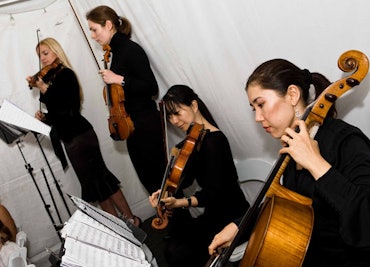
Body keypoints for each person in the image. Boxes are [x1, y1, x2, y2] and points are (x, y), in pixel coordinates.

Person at [208, 59, 370, 266]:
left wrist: (316, 164)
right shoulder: (291, 153)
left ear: (292, 94)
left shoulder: (345, 140)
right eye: (253, 108)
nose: (257, 117)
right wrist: (240, 226)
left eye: (261, 104)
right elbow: (283, 205)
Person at [27, 37, 141, 226]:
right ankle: (119, 227)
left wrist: (45, 89)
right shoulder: (51, 79)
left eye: (46, 53)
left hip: (81, 136)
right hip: (70, 138)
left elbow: (69, 111)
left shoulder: (66, 75)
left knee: (102, 179)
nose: (43, 59)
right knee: (93, 186)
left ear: (56, 51)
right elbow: (58, 114)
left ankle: (132, 220)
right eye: (40, 56)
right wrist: (45, 118)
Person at [148, 85, 249, 266]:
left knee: (177, 253)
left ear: (194, 106)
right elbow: (184, 181)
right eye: (169, 117)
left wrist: (180, 203)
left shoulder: (215, 142)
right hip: (213, 213)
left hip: (232, 215)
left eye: (177, 113)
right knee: (174, 246)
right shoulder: (193, 140)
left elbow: (213, 194)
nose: (174, 121)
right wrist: (164, 192)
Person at [86, 6, 167, 195]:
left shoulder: (131, 49)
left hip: (147, 127)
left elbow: (151, 88)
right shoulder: (115, 52)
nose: (92, 35)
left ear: (108, 25)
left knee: (161, 184)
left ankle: (179, 223)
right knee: (151, 186)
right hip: (132, 128)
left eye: (94, 29)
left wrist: (119, 79)